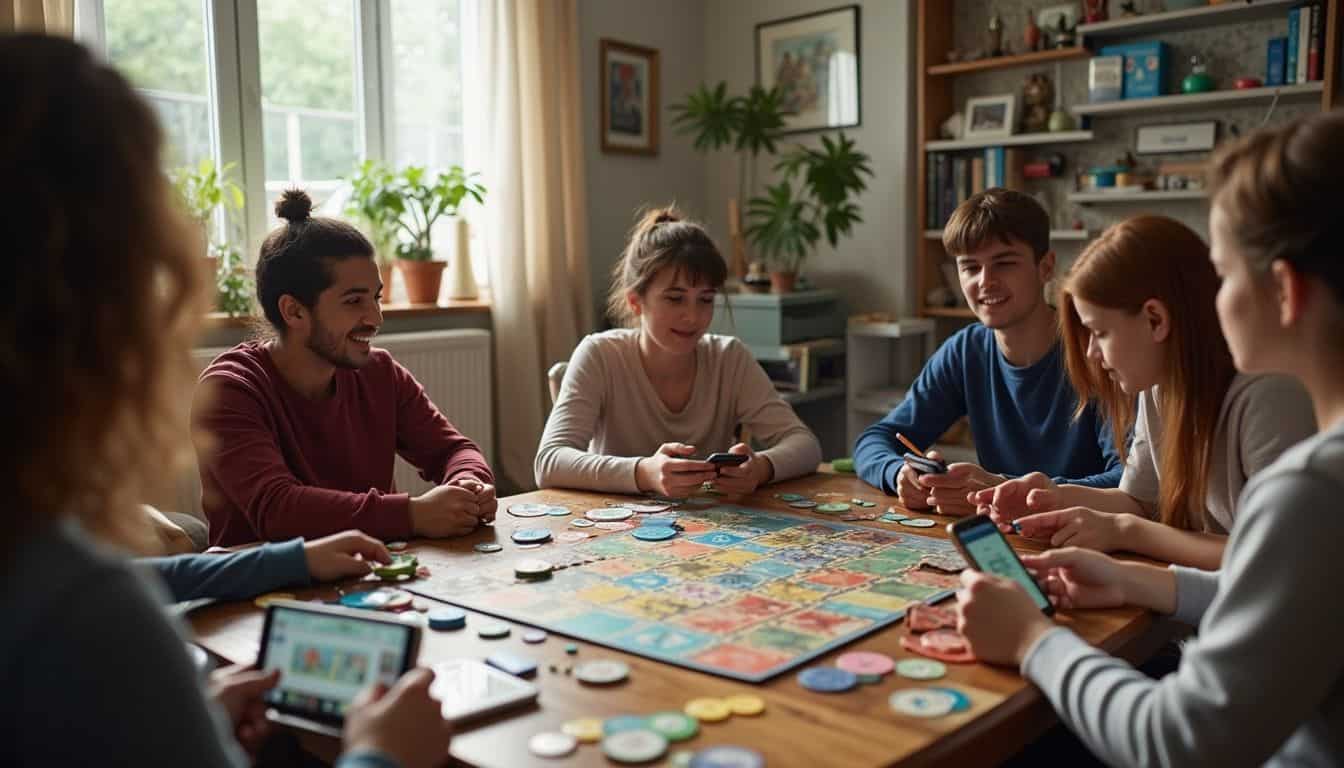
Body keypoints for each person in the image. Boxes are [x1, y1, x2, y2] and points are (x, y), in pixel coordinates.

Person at [3, 35, 449, 768]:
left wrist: (293, 560)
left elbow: (144, 579)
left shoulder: (58, 570)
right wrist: (378, 754)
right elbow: (259, 513)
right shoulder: (84, 613)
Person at [955, 111, 1344, 766]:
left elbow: (1177, 743)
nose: (1214, 301)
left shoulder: (1314, 485)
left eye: (1224, 275)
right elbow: (1283, 592)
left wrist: (1031, 640)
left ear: (1284, 290)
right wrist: (1138, 580)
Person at [971, 216, 1315, 569]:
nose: (1091, 353)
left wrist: (1127, 532)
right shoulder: (1158, 385)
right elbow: (1138, 500)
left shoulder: (1270, 395)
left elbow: (1274, 557)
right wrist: (1052, 496)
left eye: (1099, 333)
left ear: (1155, 320)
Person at [193, 190, 495, 547]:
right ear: (294, 311)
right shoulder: (229, 391)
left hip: (372, 570)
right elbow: (277, 510)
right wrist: (413, 515)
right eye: (354, 301)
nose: (376, 318)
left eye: (376, 297)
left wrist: (468, 484)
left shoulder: (380, 372)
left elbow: (453, 450)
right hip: (270, 580)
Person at [854, 188, 1122, 516]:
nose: (985, 281)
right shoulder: (965, 351)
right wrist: (899, 474)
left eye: (1004, 264)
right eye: (970, 267)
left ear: (1046, 267)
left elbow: (1131, 481)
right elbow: (874, 440)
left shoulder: (1098, 351)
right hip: (1003, 534)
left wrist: (1000, 490)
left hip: (1088, 535)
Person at [535, 207, 822, 497]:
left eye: (705, 300)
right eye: (675, 299)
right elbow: (549, 462)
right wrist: (644, 473)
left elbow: (805, 444)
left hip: (712, 522)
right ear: (635, 302)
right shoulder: (599, 355)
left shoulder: (729, 358)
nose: (693, 317)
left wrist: (760, 468)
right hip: (612, 521)